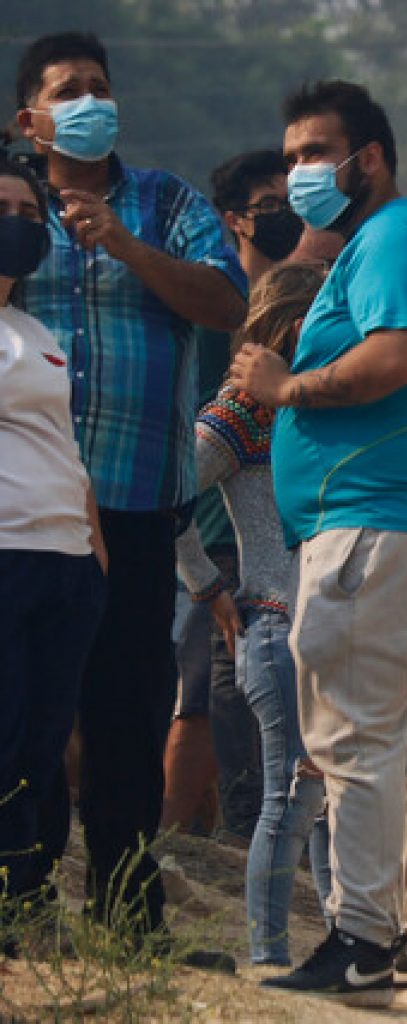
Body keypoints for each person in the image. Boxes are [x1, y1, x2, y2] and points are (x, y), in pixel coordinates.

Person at [229, 79, 407, 1009]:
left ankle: (362, 941)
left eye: (315, 153)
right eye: (291, 154)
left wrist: (283, 387)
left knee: (352, 744)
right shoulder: (394, 241)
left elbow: (394, 358)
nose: (300, 172)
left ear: (367, 159)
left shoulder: (388, 236)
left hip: (373, 525)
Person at [14, 31, 246, 941]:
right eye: (68, 89)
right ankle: (23, 902)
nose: (89, 100)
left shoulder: (165, 201)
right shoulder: (12, 204)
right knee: (27, 709)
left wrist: (124, 245)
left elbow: (227, 305)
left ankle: (127, 913)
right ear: (28, 118)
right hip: (28, 509)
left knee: (127, 710)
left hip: (139, 500)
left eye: (99, 86)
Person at [176, 263, 331, 965]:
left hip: (327, 625)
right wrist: (207, 586)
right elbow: (174, 499)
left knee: (328, 803)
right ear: (295, 321)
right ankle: (269, 955)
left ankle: (339, 944)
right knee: (290, 801)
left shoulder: (325, 404)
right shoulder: (241, 410)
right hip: (273, 622)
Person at [163, 150, 304, 843]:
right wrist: (203, 580)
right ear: (234, 221)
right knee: (210, 692)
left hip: (288, 537)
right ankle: (196, 836)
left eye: (290, 202)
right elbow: (188, 460)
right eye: (268, 205)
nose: (284, 215)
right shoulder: (221, 310)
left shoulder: (307, 301)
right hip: (217, 529)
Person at [0, 156, 107, 937]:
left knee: (46, 740)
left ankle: (33, 902)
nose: (19, 223)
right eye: (4, 208)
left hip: (67, 561)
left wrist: (95, 544)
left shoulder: (37, 332)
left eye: (30, 213)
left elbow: (64, 442)